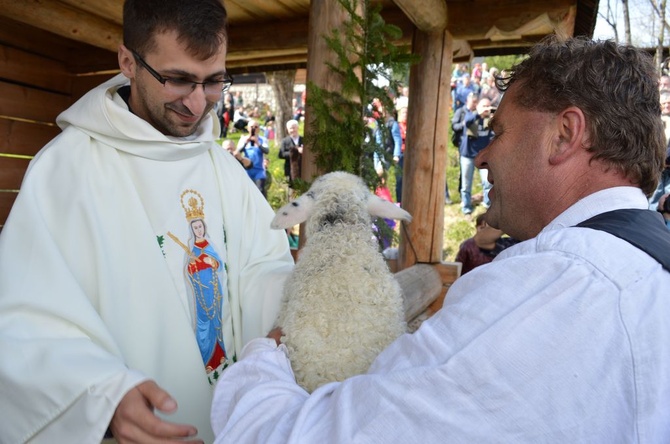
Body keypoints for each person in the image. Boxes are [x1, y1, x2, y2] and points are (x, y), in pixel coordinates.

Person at [210, 37, 670, 442]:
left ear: (564, 135)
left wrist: (264, 360)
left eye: (499, 131)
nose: (484, 155)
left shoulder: (553, 291)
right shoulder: (645, 266)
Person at [0, 1, 295, 442]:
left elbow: (260, 271)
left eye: (214, 81)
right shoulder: (65, 171)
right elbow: (24, 321)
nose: (197, 103)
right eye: (178, 79)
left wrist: (301, 295)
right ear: (128, 62)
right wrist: (102, 394)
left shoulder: (223, 169)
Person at [456, 95, 494, 214]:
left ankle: (488, 206)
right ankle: (466, 208)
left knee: (487, 182)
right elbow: (467, 122)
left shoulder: (489, 120)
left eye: (488, 106)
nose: (486, 109)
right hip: (467, 155)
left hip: (482, 156)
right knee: (466, 185)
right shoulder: (471, 115)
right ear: (477, 107)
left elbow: (493, 136)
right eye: (484, 106)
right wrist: (478, 113)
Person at [237, 119, 270, 197]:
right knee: (247, 192)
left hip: (259, 171)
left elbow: (266, 151)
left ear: (258, 128)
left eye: (256, 127)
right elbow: (238, 152)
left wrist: (258, 143)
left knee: (260, 191)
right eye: (252, 127)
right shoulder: (243, 139)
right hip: (247, 170)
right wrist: (246, 143)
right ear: (248, 128)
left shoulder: (263, 139)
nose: (254, 129)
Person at [278, 119, 303, 187]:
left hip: (303, 169)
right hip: (289, 170)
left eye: (294, 128)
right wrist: (295, 151)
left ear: (297, 127)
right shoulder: (285, 141)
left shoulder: (303, 139)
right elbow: (281, 154)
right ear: (287, 130)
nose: (292, 130)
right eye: (290, 128)